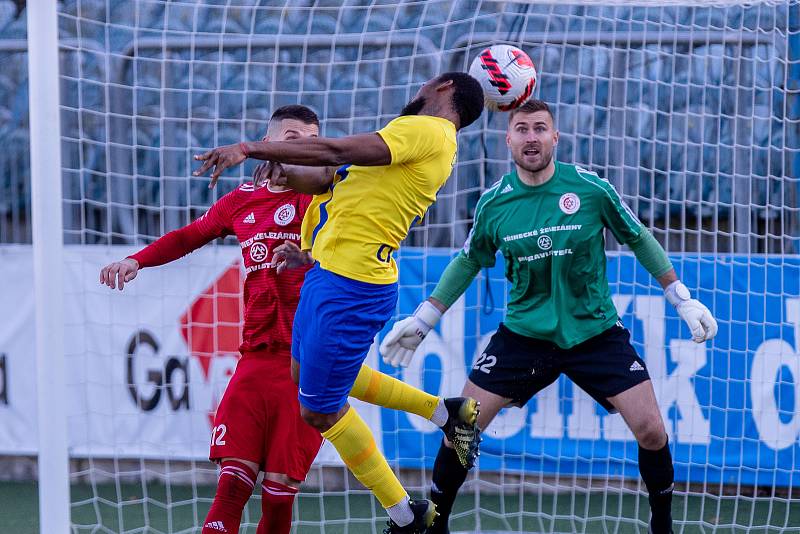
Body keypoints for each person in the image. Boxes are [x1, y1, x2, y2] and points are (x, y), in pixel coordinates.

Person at [379, 99, 718, 534]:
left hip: (594, 332)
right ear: (509, 141)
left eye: (540, 128)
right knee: (461, 427)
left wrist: (680, 297)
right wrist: (425, 318)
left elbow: (638, 237)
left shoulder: (591, 189)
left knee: (652, 430)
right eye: (522, 129)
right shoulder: (494, 204)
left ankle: (663, 524)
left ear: (555, 137)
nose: (531, 137)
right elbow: (467, 261)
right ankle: (436, 521)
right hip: (523, 336)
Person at [193, 72, 486, 533]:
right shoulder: (412, 141)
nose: (418, 89)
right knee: (306, 377)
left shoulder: (426, 130)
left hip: (352, 288)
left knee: (318, 409)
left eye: (427, 83)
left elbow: (332, 153)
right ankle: (444, 412)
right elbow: (336, 180)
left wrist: (251, 149)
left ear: (445, 88)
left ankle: (406, 515)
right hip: (328, 274)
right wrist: (306, 239)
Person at [100, 105, 325, 534]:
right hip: (255, 360)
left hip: (308, 364)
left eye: (314, 139)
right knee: (231, 486)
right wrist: (137, 260)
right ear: (269, 141)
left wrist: (309, 261)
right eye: (295, 138)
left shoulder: (326, 197)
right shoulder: (240, 201)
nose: (309, 147)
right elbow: (189, 235)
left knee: (278, 499)